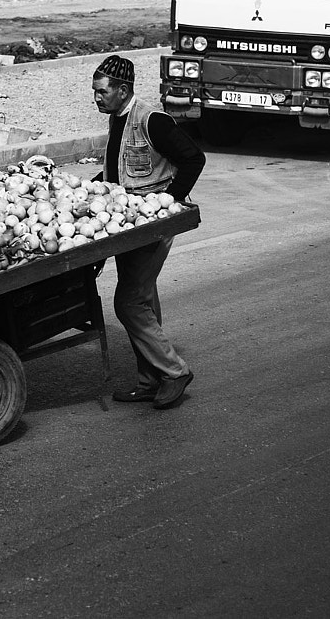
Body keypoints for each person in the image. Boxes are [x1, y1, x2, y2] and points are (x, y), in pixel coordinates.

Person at [90, 54, 206, 410]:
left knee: (128, 302)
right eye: (94, 91)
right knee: (144, 298)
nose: (95, 98)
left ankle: (174, 371)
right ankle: (149, 380)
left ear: (123, 91)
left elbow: (193, 159)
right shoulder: (118, 119)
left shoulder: (152, 121)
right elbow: (118, 171)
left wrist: (167, 203)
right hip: (127, 227)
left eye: (101, 92)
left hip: (149, 227)